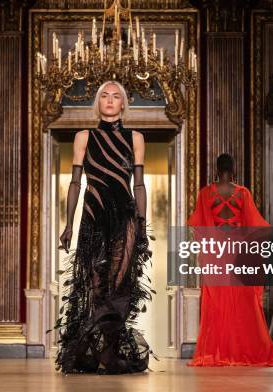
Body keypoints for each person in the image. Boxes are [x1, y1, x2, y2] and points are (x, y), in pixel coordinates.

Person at [55, 80, 153, 374]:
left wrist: (142, 224)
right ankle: (102, 354)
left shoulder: (136, 137)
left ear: (123, 104)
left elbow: (138, 184)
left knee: (120, 285)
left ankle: (108, 353)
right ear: (98, 103)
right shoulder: (83, 137)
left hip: (124, 217)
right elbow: (75, 183)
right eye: (104, 96)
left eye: (116, 97)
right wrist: (68, 224)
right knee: (97, 286)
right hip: (93, 215)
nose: (110, 101)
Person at [187, 153, 273, 367]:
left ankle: (220, 352)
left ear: (216, 170)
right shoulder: (243, 193)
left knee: (217, 303)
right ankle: (241, 350)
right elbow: (254, 227)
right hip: (238, 251)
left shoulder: (206, 193)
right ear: (234, 170)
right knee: (243, 303)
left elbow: (199, 226)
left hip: (216, 253)